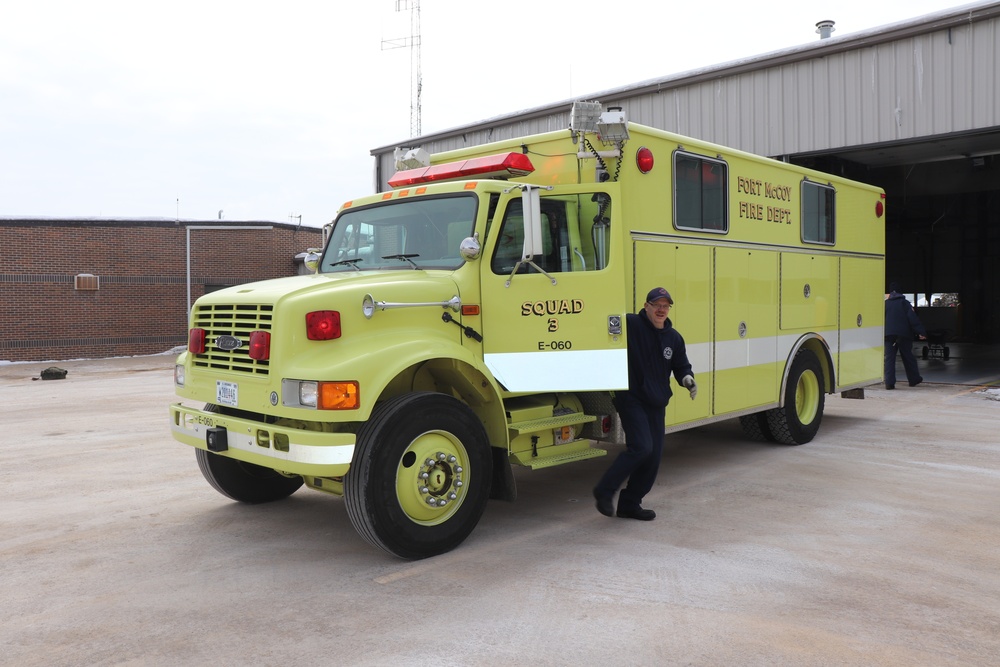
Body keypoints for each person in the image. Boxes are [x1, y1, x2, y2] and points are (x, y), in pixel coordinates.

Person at [593, 287, 696, 521]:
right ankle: (604, 490)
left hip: (657, 402)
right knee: (641, 447)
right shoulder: (631, 325)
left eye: (665, 305)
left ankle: (630, 504)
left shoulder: (674, 338)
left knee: (653, 456)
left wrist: (687, 379)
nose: (661, 309)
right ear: (646, 306)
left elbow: (681, 366)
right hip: (631, 397)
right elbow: (605, 323)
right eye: (656, 305)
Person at [884, 282, 927, 389]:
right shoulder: (905, 303)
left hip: (889, 335)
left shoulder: (885, 304)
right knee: (908, 357)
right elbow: (913, 319)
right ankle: (914, 379)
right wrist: (921, 332)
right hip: (904, 335)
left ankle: (889, 383)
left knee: (889, 359)